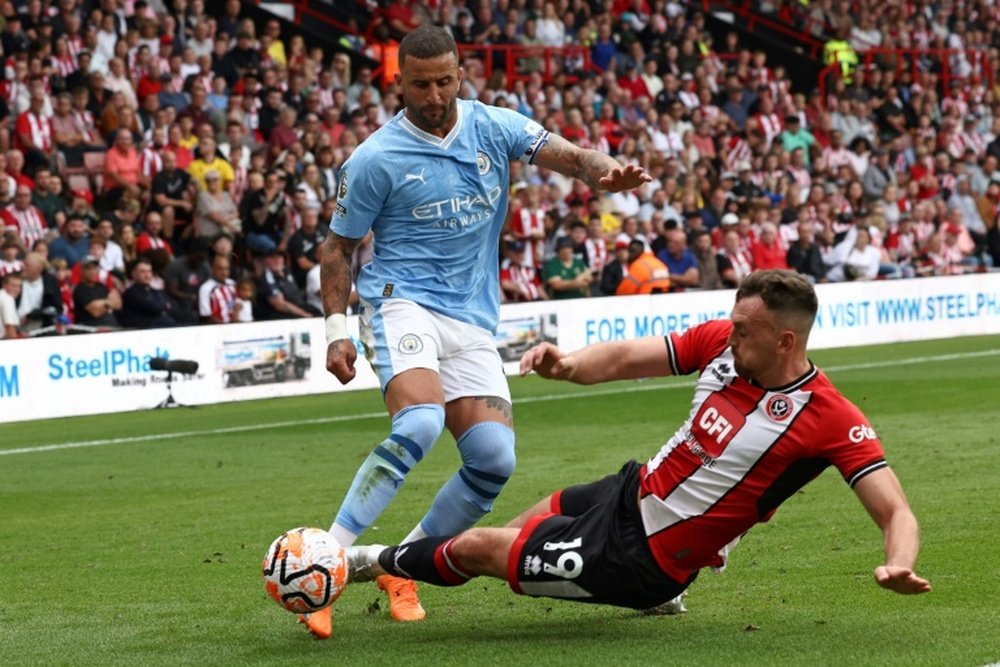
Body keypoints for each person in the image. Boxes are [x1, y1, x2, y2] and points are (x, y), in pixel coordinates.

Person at [313, 26, 652, 639]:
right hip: (401, 302)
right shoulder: (375, 158)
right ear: (399, 83)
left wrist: (605, 173)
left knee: (493, 461)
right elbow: (337, 249)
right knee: (418, 422)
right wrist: (338, 328)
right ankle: (324, 565)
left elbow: (574, 156)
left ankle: (399, 567)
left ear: (460, 75)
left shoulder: (494, 127)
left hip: (471, 316)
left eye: (445, 80)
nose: (435, 93)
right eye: (421, 83)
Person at [339, 270, 931, 614]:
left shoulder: (829, 417)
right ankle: (393, 564)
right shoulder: (723, 342)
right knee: (518, 532)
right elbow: (626, 356)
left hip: (643, 557)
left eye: (745, 331)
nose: (732, 336)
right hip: (629, 491)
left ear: (783, 341)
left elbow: (894, 509)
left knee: (476, 548)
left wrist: (898, 564)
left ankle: (363, 563)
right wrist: (566, 364)